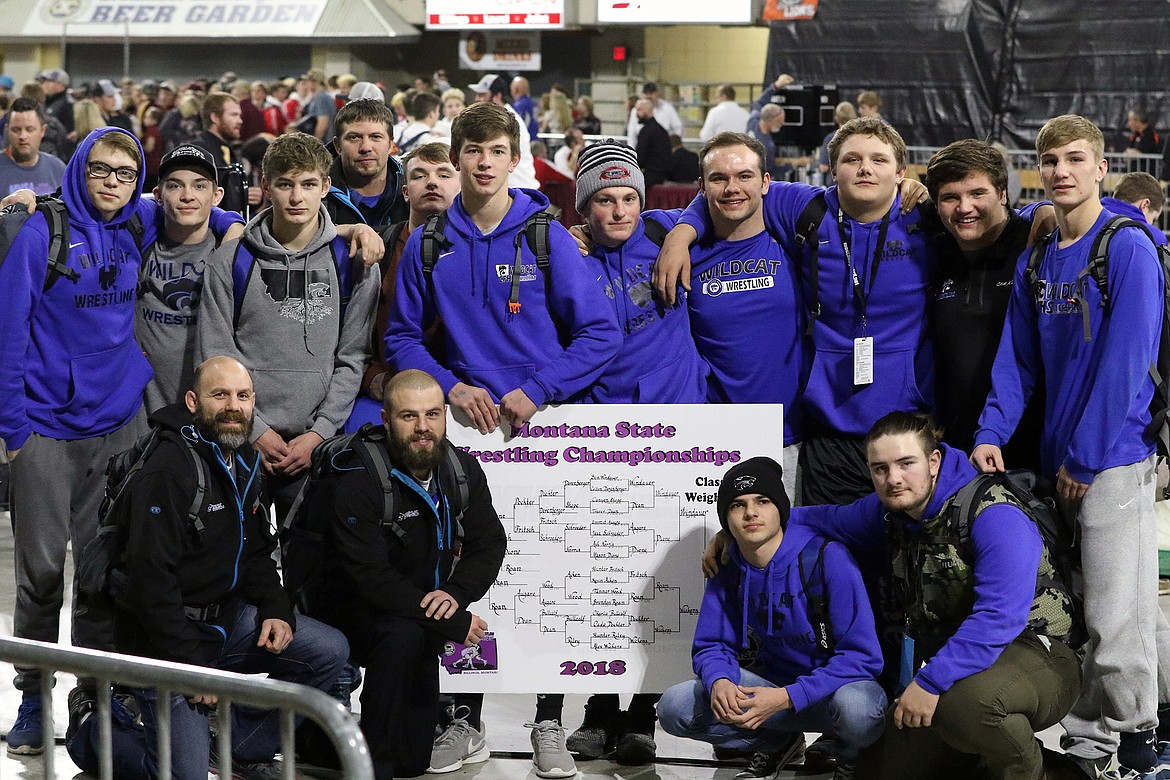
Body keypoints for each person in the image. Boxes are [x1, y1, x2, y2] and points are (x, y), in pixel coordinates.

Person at [386, 102, 622, 778]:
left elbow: (599, 334)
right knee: (467, 578)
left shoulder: (544, 233)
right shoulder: (431, 242)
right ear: (456, 158)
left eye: (496, 150)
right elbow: (402, 336)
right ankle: (466, 719)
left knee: (548, 572)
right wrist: (449, 386)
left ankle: (549, 719)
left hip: (546, 432)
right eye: (472, 150)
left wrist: (540, 388)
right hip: (467, 437)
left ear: (513, 158)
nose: (484, 162)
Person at [716, 411, 1080, 780]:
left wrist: (930, 682)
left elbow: (998, 617)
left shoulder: (994, 513)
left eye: (906, 463)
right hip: (955, 662)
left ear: (933, 461)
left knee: (970, 707)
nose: (893, 479)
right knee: (879, 768)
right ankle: (982, 763)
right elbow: (822, 518)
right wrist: (737, 532)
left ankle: (1034, 773)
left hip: (1038, 651)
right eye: (880, 469)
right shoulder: (889, 512)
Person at [973, 114, 1167, 779]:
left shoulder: (1128, 247)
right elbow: (1016, 359)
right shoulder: (1039, 253)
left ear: (1100, 168)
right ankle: (1115, 731)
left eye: (1074, 159)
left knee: (1120, 613)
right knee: (1090, 608)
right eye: (1049, 160)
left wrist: (1085, 458)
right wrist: (991, 431)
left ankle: (1119, 742)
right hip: (1060, 460)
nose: (1060, 170)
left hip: (1114, 456)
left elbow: (1126, 362)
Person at [65, 356, 350, 780]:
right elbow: (149, 583)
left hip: (222, 624)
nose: (234, 406)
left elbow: (255, 552)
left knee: (331, 653)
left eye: (243, 396)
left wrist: (276, 608)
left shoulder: (244, 460)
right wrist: (190, 664)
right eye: (220, 395)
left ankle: (236, 748)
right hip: (160, 643)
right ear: (194, 402)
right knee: (186, 776)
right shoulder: (168, 469)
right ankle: (90, 729)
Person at [658, 117, 934, 506]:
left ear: (901, 173)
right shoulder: (806, 207)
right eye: (852, 159)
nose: (865, 168)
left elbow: (995, 219)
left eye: (879, 160)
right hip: (826, 425)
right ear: (832, 170)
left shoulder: (927, 219)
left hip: (906, 422)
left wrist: (1041, 210)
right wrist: (680, 235)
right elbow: (731, 192)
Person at [0, 127, 153, 754]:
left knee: (102, 574)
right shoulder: (42, 233)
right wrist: (13, 429)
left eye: (125, 171)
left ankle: (95, 693)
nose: (113, 181)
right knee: (41, 574)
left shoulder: (141, 220)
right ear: (79, 170)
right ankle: (34, 697)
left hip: (117, 425)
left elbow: (203, 203)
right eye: (101, 169)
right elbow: (8, 332)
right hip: (45, 428)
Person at [562, 141, 707, 765]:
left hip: (676, 425)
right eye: (604, 199)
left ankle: (644, 711)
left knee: (664, 576)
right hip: (603, 435)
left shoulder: (667, 233)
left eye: (628, 198)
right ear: (586, 208)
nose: (618, 210)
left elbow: (719, 200)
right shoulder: (567, 257)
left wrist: (680, 231)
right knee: (603, 574)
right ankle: (597, 708)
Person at [303, 369, 506, 780]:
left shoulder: (461, 469)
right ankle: (368, 765)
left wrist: (454, 594)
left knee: (413, 762)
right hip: (346, 608)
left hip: (416, 607)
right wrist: (450, 618)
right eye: (408, 417)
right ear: (385, 419)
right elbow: (369, 576)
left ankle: (335, 743)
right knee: (402, 635)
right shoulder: (357, 477)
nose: (423, 429)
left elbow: (490, 543)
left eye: (432, 415)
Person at [660, 456, 886, 780]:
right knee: (675, 707)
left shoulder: (828, 557)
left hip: (834, 692)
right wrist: (719, 680)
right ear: (726, 520)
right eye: (738, 505)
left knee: (859, 712)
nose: (751, 512)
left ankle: (851, 756)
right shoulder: (728, 565)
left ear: (780, 507)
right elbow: (711, 645)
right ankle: (776, 741)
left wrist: (787, 698)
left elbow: (862, 658)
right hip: (771, 688)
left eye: (762, 501)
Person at [196, 132, 379, 524]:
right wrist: (254, 429)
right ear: (265, 186)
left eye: (309, 184)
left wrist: (320, 433)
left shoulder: (355, 263)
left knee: (311, 573)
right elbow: (215, 355)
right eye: (285, 184)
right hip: (240, 439)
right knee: (238, 571)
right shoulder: (229, 261)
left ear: (326, 187)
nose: (297, 197)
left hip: (318, 443)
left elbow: (353, 358)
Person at [924, 139, 1045, 471]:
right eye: (950, 197)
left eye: (978, 193)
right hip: (954, 451)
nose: (965, 207)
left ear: (1003, 194)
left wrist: (1045, 209)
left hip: (1029, 455)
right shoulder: (936, 250)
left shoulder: (1038, 246)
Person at [348, 141, 461, 431]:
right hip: (384, 392)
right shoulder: (377, 247)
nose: (432, 182)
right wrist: (371, 377)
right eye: (420, 175)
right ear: (406, 192)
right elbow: (352, 329)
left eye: (444, 174)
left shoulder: (479, 250)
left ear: (462, 186)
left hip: (460, 395)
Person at [325, 98, 408, 233]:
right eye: (354, 137)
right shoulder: (316, 192)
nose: (365, 147)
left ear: (390, 145)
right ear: (337, 146)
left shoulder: (411, 190)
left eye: (375, 137)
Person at [193, 91, 261, 215]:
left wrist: (247, 196)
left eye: (240, 116)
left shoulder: (229, 150)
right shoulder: (199, 151)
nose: (240, 121)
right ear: (215, 118)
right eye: (234, 115)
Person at [467, 74, 538, 189]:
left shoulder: (506, 121)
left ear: (497, 96)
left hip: (518, 190)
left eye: (482, 95)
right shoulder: (499, 116)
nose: (477, 99)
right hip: (512, 188)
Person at [0, 97, 65, 195]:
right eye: (16, 130)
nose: (23, 136)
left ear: (42, 130)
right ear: (7, 130)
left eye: (29, 129)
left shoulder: (57, 168)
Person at [1101, 170, 1168, 246]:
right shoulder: (1153, 236)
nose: (1151, 224)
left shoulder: (1091, 217)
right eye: (1154, 219)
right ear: (1144, 205)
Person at [633, 98, 672, 188]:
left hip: (650, 176)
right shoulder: (660, 129)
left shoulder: (646, 131)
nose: (636, 114)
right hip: (662, 175)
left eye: (639, 110)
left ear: (647, 110)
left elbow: (640, 157)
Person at [396, 90, 446, 156]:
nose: (438, 114)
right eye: (437, 111)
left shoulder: (401, 132)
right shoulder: (431, 141)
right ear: (432, 114)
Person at [291, 69, 336, 142]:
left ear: (314, 82)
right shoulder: (318, 97)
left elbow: (322, 124)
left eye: (307, 81)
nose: (306, 85)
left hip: (324, 141)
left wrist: (315, 143)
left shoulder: (321, 97)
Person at [37, 68, 74, 137]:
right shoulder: (46, 102)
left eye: (50, 81)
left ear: (62, 85)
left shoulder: (67, 104)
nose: (45, 84)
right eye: (44, 81)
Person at [510, 76, 540, 140]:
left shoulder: (519, 105)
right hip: (535, 139)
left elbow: (516, 126)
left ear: (516, 89)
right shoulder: (533, 103)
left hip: (524, 140)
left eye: (511, 88)